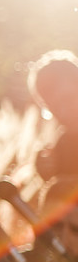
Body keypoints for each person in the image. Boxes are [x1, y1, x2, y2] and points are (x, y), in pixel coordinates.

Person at [29, 50, 78, 183]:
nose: (63, 112)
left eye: (68, 99)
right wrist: (49, 177)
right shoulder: (63, 144)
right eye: (52, 107)